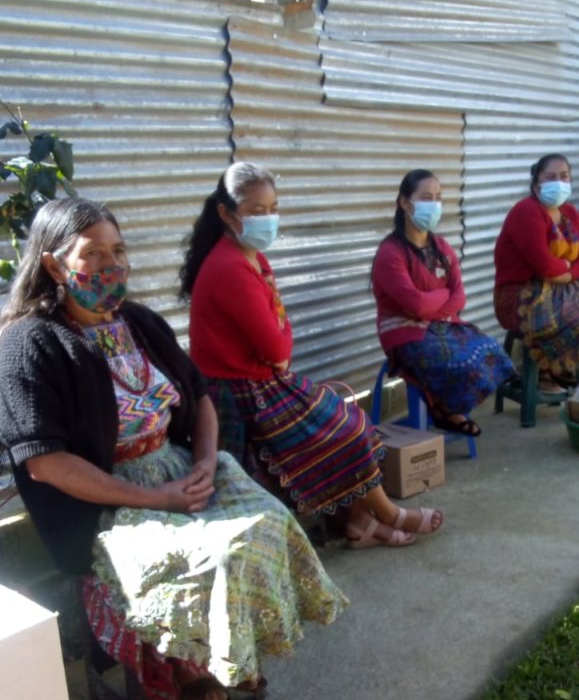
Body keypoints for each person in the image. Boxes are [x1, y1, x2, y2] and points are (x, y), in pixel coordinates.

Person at [0, 196, 348, 700]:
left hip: (179, 471)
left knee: (266, 525)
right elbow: (46, 463)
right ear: (53, 264)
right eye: (92, 254)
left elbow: (198, 397)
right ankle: (188, 664)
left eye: (118, 250)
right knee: (213, 553)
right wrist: (156, 499)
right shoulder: (30, 344)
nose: (111, 265)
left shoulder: (138, 321)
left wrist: (203, 462)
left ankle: (232, 650)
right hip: (105, 501)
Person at [180, 161, 444, 549]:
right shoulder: (230, 266)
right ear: (226, 213)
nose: (268, 219)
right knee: (347, 431)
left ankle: (360, 522)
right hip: (240, 393)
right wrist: (280, 345)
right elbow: (278, 346)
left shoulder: (252, 257)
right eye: (256, 211)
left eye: (273, 208)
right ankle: (387, 514)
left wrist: (279, 344)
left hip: (263, 381)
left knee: (350, 421)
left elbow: (279, 336)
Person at [371, 169, 516, 437]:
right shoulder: (390, 253)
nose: (434, 204)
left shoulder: (442, 248)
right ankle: (446, 411)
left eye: (438, 197)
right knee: (455, 362)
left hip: (442, 327)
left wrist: (431, 304)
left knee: (491, 350)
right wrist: (441, 297)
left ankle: (444, 409)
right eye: (426, 197)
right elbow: (415, 306)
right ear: (404, 203)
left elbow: (459, 297)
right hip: (404, 334)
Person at [494, 153, 579, 390]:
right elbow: (542, 264)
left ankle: (560, 370)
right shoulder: (526, 211)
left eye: (564, 177)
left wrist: (566, 275)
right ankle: (547, 375)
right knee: (573, 321)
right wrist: (563, 271)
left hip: (562, 287)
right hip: (520, 294)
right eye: (551, 177)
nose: (559, 182)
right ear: (536, 184)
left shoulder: (570, 213)